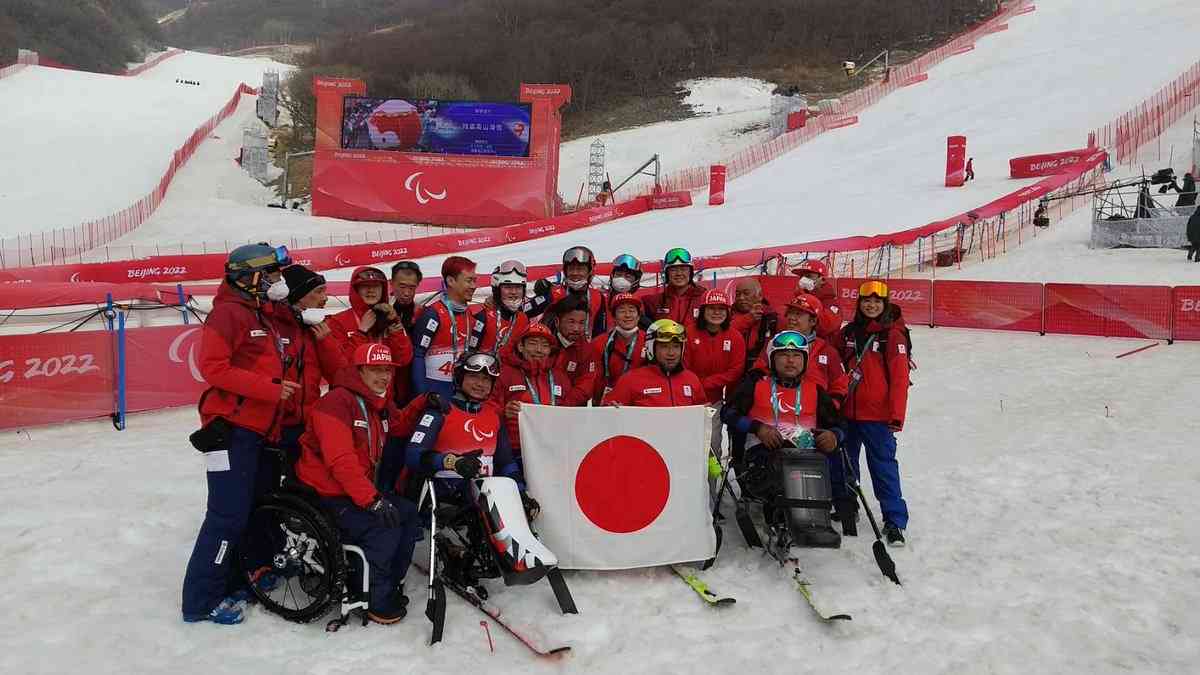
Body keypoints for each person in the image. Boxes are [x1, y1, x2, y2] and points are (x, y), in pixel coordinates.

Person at [182, 242, 295, 625]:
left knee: (247, 513)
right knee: (226, 518)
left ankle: (235, 581)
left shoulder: (258, 312)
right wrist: (270, 389)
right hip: (230, 431)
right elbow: (213, 368)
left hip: (257, 430)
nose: (279, 282)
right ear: (253, 278)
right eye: (274, 275)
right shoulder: (228, 314)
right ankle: (200, 601)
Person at [294, 343, 423, 625]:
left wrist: (421, 403)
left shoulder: (378, 400)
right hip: (326, 493)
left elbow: (398, 424)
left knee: (409, 514)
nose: (384, 377)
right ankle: (374, 597)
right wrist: (372, 500)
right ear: (358, 370)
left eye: (388, 370)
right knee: (383, 526)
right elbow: (340, 461)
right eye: (376, 370)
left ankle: (389, 581)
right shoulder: (336, 403)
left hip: (356, 488)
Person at [720, 331, 845, 547]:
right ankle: (779, 519)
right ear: (772, 359)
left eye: (796, 356)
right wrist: (757, 427)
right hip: (760, 457)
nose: (790, 361)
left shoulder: (815, 390)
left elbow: (839, 425)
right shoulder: (755, 385)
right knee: (779, 468)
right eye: (783, 355)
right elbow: (727, 414)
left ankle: (815, 521)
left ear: (805, 361)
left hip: (805, 459)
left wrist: (834, 435)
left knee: (822, 463)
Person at [403, 351, 538, 517]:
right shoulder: (440, 410)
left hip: (484, 500)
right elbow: (413, 455)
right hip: (444, 499)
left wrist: (521, 492)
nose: (480, 384)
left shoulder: (494, 415)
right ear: (460, 378)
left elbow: (506, 462)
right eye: (474, 377)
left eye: (486, 379)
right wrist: (453, 462)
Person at [830, 280, 911, 547]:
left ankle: (894, 520)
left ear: (884, 304)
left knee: (883, 467)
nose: (871, 305)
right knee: (845, 464)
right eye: (867, 301)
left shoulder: (892, 335)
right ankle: (847, 505)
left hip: (878, 417)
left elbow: (899, 379)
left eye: (877, 301)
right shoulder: (849, 333)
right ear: (859, 304)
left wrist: (896, 416)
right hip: (848, 414)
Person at [755, 294, 849, 402]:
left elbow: (840, 385)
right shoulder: (774, 343)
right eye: (790, 313)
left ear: (813, 321)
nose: (791, 318)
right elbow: (758, 371)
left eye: (798, 314)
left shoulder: (827, 351)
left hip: (811, 414)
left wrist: (831, 406)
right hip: (777, 410)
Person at [493, 323, 570, 456]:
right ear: (521, 347)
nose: (539, 350)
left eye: (545, 346)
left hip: (552, 449)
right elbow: (488, 407)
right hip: (515, 450)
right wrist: (504, 411)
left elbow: (571, 412)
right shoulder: (504, 374)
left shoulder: (560, 377)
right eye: (533, 343)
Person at [411, 256, 478, 398]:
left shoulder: (469, 314)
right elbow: (417, 355)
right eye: (469, 280)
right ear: (451, 281)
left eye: (474, 280)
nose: (474, 286)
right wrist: (423, 396)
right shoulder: (433, 314)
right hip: (435, 389)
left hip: (461, 390)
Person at [325, 266, 414, 373]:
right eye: (365, 286)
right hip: (353, 388)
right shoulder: (337, 321)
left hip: (384, 387)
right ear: (356, 290)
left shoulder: (389, 318)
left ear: (383, 289)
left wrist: (396, 329)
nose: (371, 290)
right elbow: (341, 366)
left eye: (376, 286)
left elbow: (403, 360)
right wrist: (361, 332)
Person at [603, 319, 704, 407]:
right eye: (664, 347)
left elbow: (702, 419)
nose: (671, 353)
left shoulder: (692, 380)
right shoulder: (630, 380)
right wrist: (612, 410)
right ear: (651, 348)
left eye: (676, 346)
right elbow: (606, 416)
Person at [526, 246, 608, 339]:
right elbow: (522, 312)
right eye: (571, 269)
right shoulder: (554, 293)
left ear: (590, 271)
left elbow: (601, 334)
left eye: (580, 269)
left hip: (584, 350)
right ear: (565, 271)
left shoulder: (598, 297)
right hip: (555, 350)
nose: (575, 273)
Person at [683, 289, 746, 405]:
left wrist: (708, 383)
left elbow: (736, 370)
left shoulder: (735, 336)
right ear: (703, 311)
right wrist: (696, 385)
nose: (716, 313)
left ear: (727, 312)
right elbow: (684, 366)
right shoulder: (689, 333)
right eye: (712, 308)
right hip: (689, 396)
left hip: (719, 400)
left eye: (721, 309)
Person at [589, 292, 646, 404]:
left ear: (639, 316)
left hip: (639, 403)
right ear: (613, 316)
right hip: (607, 404)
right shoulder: (598, 343)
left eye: (631, 310)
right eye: (622, 311)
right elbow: (594, 379)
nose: (627, 315)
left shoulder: (649, 341)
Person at [544, 293, 599, 406]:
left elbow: (586, 386)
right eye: (571, 322)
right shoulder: (541, 342)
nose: (576, 329)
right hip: (540, 403)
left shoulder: (587, 350)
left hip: (570, 410)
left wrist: (562, 407)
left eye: (581, 323)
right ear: (557, 322)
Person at [469, 259, 530, 354]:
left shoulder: (524, 318)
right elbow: (470, 353)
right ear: (497, 290)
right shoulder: (482, 317)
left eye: (518, 287)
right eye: (508, 287)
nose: (514, 292)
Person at [389, 260, 423, 407]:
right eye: (402, 286)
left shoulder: (423, 312)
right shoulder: (380, 311)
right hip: (387, 379)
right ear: (392, 283)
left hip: (413, 381)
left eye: (412, 287)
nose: (407, 293)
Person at [642, 247, 706, 324]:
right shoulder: (653, 302)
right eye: (673, 270)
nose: (678, 273)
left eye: (683, 269)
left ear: (690, 272)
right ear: (667, 273)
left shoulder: (704, 299)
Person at [731, 277, 778, 371]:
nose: (741, 298)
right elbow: (723, 336)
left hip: (759, 372)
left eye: (746, 293)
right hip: (731, 367)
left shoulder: (772, 318)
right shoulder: (727, 314)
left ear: (759, 296)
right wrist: (748, 319)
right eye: (738, 294)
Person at [790, 259, 841, 343]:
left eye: (808, 276)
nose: (803, 279)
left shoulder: (830, 302)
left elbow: (824, 327)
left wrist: (806, 297)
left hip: (821, 350)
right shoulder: (798, 298)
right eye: (802, 276)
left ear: (822, 279)